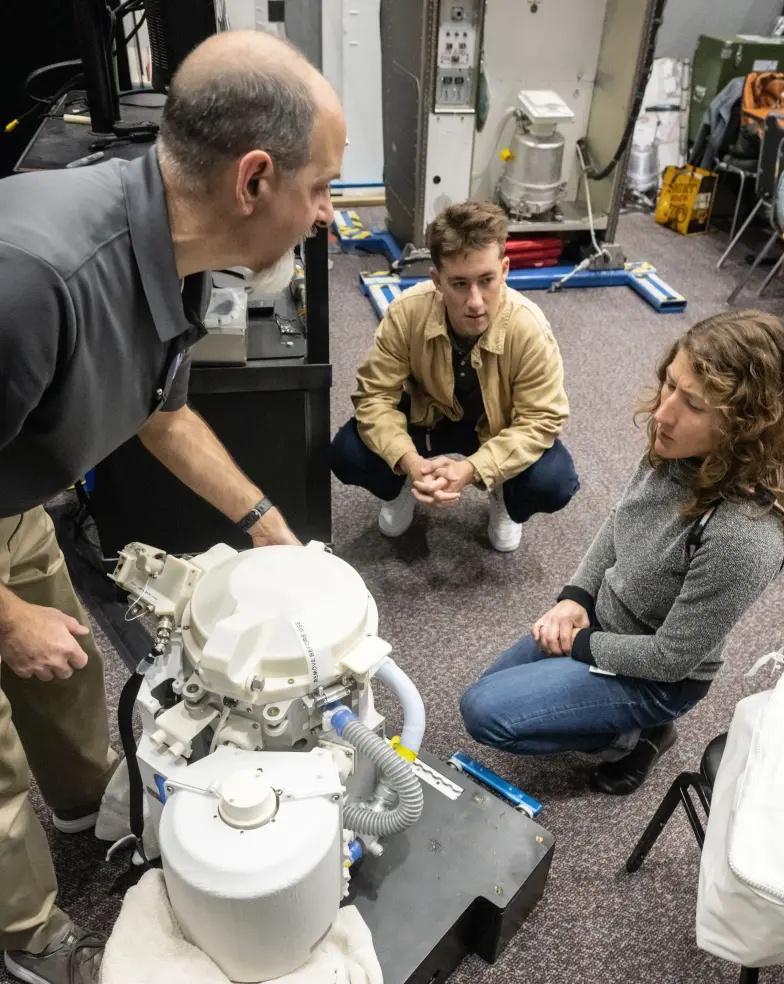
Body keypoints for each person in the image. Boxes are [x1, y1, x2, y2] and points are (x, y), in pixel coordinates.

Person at [0, 31, 345, 984]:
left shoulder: (172, 249)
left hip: (12, 494)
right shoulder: (33, 281)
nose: (327, 217)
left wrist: (267, 527)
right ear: (254, 179)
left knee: (66, 666)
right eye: (322, 189)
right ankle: (27, 940)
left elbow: (165, 414)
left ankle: (86, 804)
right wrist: (6, 617)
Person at [460, 310, 784, 794]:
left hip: (657, 676)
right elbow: (622, 519)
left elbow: (670, 658)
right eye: (670, 384)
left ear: (744, 424)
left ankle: (635, 736)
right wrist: (575, 597)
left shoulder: (746, 536)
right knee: (485, 691)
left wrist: (578, 644)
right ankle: (604, 707)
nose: (663, 413)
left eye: (692, 404)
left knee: (486, 714)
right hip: (607, 618)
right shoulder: (677, 442)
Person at [329, 201, 579, 552]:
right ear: (437, 280)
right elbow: (374, 398)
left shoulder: (529, 328)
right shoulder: (406, 313)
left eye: (487, 281)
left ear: (505, 270)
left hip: (497, 430)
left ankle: (505, 493)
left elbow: (542, 419)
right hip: (427, 423)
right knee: (348, 453)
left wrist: (476, 469)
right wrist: (408, 461)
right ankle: (400, 486)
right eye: (459, 284)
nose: (475, 301)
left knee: (553, 481)